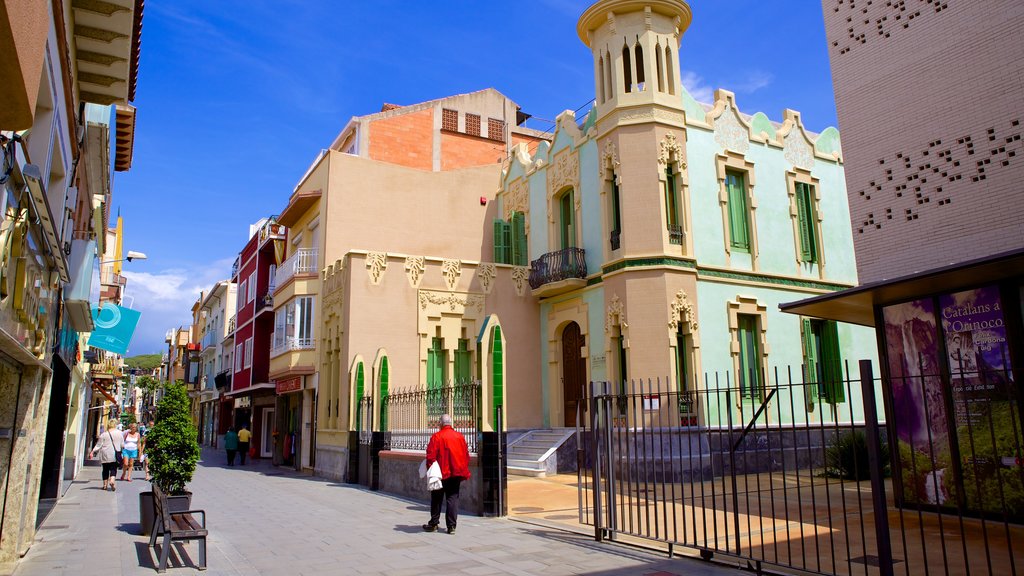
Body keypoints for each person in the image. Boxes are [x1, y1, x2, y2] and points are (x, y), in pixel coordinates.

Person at [422, 414, 470, 535]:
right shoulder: (459, 437)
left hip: (440, 473)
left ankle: (434, 523)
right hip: (455, 473)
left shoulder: (437, 437)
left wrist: (430, 470)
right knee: (452, 498)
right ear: (451, 423)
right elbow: (466, 455)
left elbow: (431, 456)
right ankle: (451, 526)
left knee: (436, 498)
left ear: (440, 423)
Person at [91, 419, 124, 491]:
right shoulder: (120, 433)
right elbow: (122, 445)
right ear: (115, 425)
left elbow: (99, 445)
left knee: (105, 469)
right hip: (115, 454)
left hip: (105, 454)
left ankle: (105, 485)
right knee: (113, 468)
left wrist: (92, 452)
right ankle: (112, 480)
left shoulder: (104, 434)